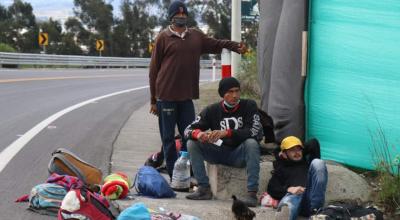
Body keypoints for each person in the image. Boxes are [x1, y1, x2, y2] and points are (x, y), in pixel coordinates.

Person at [149, 0, 247, 179]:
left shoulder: (195, 36)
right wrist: (153, 100)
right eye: (177, 16)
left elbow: (216, 44)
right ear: (171, 18)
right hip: (166, 96)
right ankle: (173, 174)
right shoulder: (163, 38)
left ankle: (187, 170)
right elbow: (154, 70)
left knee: (189, 136)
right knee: (168, 139)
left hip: (187, 97)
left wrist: (234, 46)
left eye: (184, 15)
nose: (181, 18)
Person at [184, 77, 263, 207]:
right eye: (230, 92)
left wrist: (227, 132)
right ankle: (203, 188)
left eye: (237, 91)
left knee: (252, 143)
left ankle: (252, 194)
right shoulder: (212, 110)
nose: (235, 95)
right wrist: (199, 134)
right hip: (218, 152)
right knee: (192, 144)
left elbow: (254, 132)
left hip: (239, 154)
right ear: (222, 93)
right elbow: (187, 130)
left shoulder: (249, 105)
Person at [267, 136, 328, 220]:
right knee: (289, 201)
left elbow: (314, 143)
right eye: (292, 150)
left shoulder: (306, 162)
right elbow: (271, 188)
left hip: (310, 198)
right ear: (284, 154)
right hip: (294, 197)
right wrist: (288, 189)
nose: (297, 153)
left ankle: (316, 212)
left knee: (318, 162)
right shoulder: (281, 167)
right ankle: (286, 212)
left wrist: (298, 149)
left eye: (298, 149)